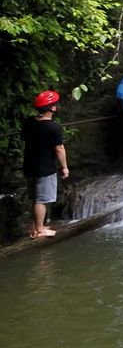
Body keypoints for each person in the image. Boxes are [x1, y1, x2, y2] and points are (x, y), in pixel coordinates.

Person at [22, 90, 68, 238]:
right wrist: (65, 167)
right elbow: (59, 149)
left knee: (35, 197)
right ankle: (40, 230)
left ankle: (35, 226)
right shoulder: (53, 127)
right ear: (53, 108)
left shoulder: (29, 123)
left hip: (29, 165)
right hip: (45, 167)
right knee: (41, 199)